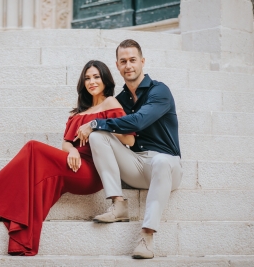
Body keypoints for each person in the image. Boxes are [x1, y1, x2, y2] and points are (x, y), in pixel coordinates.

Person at [0, 60, 135, 256]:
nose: (92, 82)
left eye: (96, 77)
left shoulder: (111, 103)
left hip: (92, 171)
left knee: (32, 148)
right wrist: (71, 150)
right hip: (72, 164)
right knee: (24, 182)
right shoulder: (77, 113)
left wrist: (98, 125)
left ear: (105, 79)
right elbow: (66, 142)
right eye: (87, 78)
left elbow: (129, 138)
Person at [75, 39, 182, 259]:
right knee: (98, 137)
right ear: (117, 65)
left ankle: (147, 237)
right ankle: (118, 203)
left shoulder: (159, 91)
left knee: (160, 161)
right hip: (135, 165)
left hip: (166, 166)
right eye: (123, 61)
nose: (128, 65)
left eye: (133, 60)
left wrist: (95, 123)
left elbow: (138, 122)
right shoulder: (120, 100)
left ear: (142, 62)